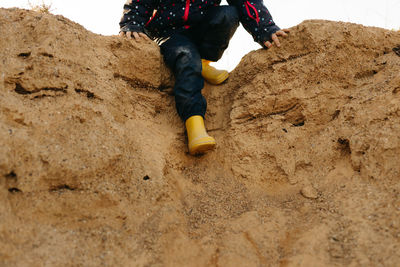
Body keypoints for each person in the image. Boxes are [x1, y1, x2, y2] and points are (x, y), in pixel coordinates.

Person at [119, 0, 289, 155]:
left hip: (202, 31)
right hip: (169, 34)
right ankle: (195, 125)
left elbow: (246, 2)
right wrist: (132, 23)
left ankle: (202, 62)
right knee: (186, 56)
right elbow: (140, 2)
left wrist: (266, 29)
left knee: (227, 14)